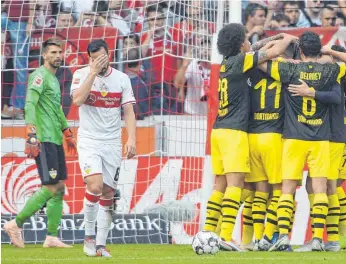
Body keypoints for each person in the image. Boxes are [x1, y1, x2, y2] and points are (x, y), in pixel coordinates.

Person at [202, 23, 296, 251]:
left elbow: (257, 47)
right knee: (235, 185)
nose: (248, 42)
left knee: (220, 185)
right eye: (244, 39)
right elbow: (272, 53)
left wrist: (271, 37)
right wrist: (289, 38)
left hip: (219, 130)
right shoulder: (242, 61)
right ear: (239, 44)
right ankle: (225, 236)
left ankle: (208, 233)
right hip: (235, 132)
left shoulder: (230, 61)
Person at [259, 31, 346, 252]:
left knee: (287, 189)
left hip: (294, 137)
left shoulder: (289, 69)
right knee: (320, 189)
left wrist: (281, 40)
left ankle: (283, 238)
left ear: (301, 50)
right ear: (319, 49)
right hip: (321, 139)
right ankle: (317, 239)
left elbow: (257, 59)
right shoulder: (330, 71)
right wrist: (329, 51)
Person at [3, 38, 77, 248]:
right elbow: (30, 105)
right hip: (43, 138)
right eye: (52, 52)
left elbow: (56, 110)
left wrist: (67, 133)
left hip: (55, 138)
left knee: (60, 186)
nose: (57, 56)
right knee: (51, 186)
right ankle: (15, 224)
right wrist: (32, 135)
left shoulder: (54, 79)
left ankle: (51, 237)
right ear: (44, 55)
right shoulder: (38, 76)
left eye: (59, 52)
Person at [71, 39, 136, 258]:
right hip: (89, 140)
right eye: (93, 58)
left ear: (109, 54)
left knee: (108, 192)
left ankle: (100, 244)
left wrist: (131, 139)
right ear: (89, 58)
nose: (97, 61)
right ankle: (88, 237)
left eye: (101, 57)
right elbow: (78, 100)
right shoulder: (80, 75)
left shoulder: (122, 79)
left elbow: (128, 111)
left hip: (112, 142)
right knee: (95, 186)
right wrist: (92, 73)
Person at [290, 45, 346, 252]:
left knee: (328, 186)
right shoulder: (330, 74)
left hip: (332, 136)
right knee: (316, 186)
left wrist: (311, 92)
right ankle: (331, 238)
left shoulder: (334, 75)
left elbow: (335, 98)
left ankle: (332, 239)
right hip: (329, 135)